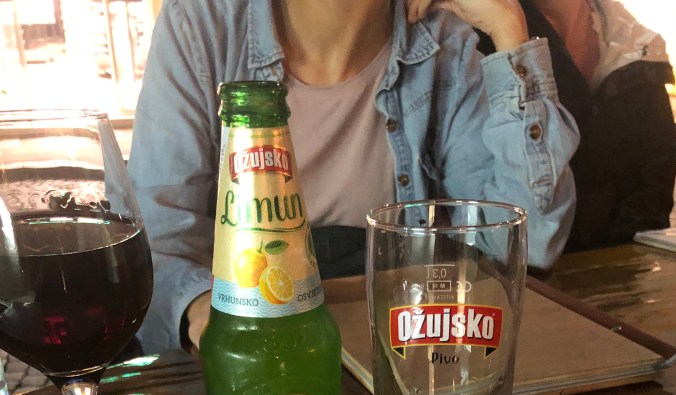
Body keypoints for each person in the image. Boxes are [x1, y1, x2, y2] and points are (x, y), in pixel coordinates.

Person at [128, 0, 580, 355]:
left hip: (405, 350)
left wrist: (508, 30)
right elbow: (155, 242)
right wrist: (206, 318)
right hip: (247, 350)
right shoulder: (202, 25)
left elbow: (526, 243)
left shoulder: (443, 43)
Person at [477, 0, 676, 250]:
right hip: (522, 270)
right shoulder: (467, 38)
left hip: (622, 266)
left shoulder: (632, 43)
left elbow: (651, 195)